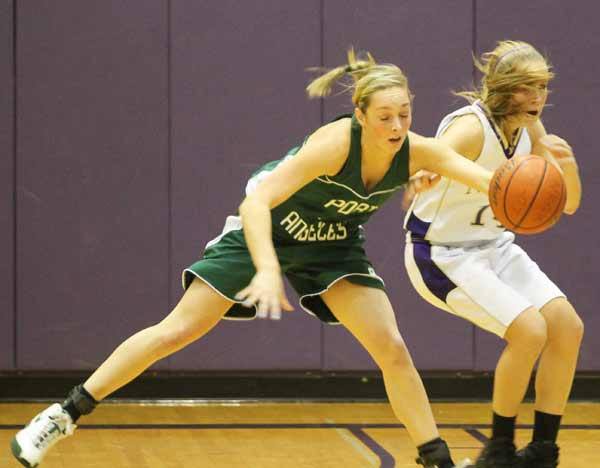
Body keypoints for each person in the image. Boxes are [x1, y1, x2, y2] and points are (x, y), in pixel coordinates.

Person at [11, 49, 493, 468]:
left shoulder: (417, 152)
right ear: (360, 114)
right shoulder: (333, 144)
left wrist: (548, 173)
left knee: (391, 346)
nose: (397, 126)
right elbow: (256, 202)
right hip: (267, 227)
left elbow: (493, 181)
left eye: (405, 114)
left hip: (332, 244)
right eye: (385, 115)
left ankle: (437, 460)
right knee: (177, 330)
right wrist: (266, 267)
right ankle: (61, 415)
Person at [403, 40, 583, 468]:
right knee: (529, 331)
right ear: (505, 88)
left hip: (495, 247)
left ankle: (543, 450)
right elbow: (421, 160)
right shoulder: (469, 128)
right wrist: (423, 174)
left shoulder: (530, 131)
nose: (538, 97)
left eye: (542, 87)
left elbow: (570, 204)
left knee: (567, 327)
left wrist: (568, 169)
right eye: (528, 87)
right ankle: (499, 449)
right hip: (442, 253)